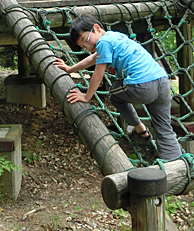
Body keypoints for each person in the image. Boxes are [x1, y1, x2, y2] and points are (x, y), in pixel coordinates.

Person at [52, 14, 182, 160]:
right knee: (164, 128)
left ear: (96, 28)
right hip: (163, 83)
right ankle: (177, 165)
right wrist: (70, 69)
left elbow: (98, 74)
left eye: (86, 40)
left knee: (114, 94)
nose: (87, 47)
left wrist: (86, 96)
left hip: (142, 85)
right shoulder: (115, 37)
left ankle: (139, 129)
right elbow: (93, 58)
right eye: (83, 46)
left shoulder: (103, 43)